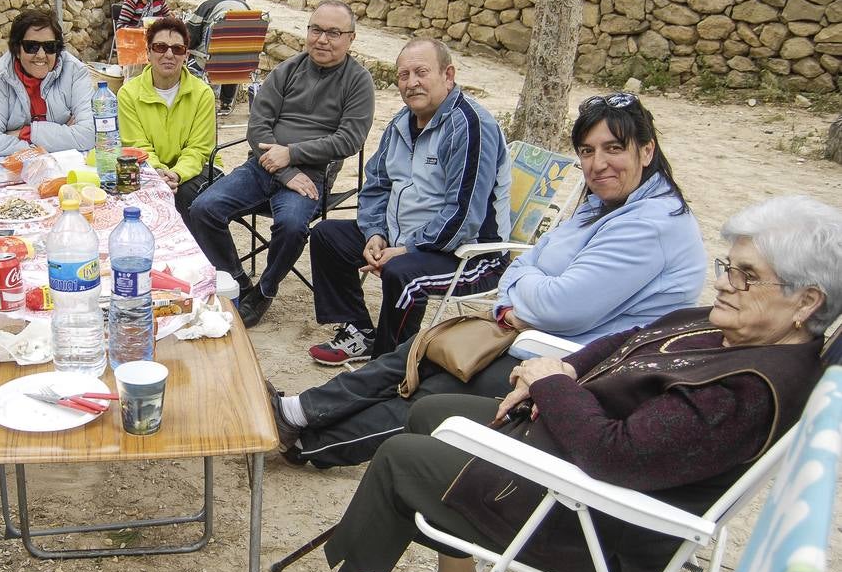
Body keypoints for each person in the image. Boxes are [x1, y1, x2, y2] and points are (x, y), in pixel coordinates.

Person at [266, 194, 842, 572]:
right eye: (728, 267)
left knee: (402, 457)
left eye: (747, 275)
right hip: (562, 458)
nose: (725, 283)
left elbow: (615, 457)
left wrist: (551, 385)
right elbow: (625, 341)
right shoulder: (732, 329)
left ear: (805, 301)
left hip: (590, 519)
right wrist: (562, 368)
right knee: (430, 414)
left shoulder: (746, 391)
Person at [274, 92, 706, 468]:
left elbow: (560, 302)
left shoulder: (651, 224)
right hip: (532, 329)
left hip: (573, 360)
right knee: (422, 351)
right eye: (588, 151)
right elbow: (529, 260)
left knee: (438, 389)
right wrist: (524, 292)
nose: (598, 163)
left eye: (613, 148)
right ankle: (298, 411)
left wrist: (525, 292)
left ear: (646, 151)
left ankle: (311, 444)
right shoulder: (607, 205)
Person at [306, 37, 511, 365]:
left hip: (468, 254)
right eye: (403, 75)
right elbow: (376, 184)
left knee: (403, 273)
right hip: (402, 238)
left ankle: (389, 364)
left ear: (448, 75)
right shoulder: (401, 123)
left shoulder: (470, 126)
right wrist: (375, 233)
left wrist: (405, 249)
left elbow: (463, 215)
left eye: (421, 72)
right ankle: (359, 331)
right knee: (326, 235)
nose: (411, 82)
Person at [190, 0, 374, 328]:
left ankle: (264, 291)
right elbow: (257, 127)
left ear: (351, 38)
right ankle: (238, 282)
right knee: (204, 208)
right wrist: (284, 168)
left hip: (311, 174)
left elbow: (350, 140)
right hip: (262, 167)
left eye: (333, 33)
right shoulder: (288, 69)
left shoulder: (358, 81)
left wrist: (291, 156)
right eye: (316, 30)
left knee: (291, 227)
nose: (322, 39)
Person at [117, 17, 217, 230]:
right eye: (161, 47)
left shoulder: (202, 94)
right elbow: (138, 147)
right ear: (148, 53)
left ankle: (210, 262)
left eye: (177, 49)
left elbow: (199, 150)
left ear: (186, 55)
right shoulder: (128, 94)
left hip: (198, 170)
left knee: (187, 198)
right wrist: (160, 172)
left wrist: (176, 174)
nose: (169, 54)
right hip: (149, 170)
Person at [0, 8, 96, 157]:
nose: (41, 55)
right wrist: (63, 134)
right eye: (32, 46)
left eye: (50, 47)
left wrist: (24, 133)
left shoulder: (75, 72)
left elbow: (90, 134)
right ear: (17, 50)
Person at [184, 0, 251, 112]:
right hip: (240, 64)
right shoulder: (245, 6)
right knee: (231, 55)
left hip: (209, 62)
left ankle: (192, 103)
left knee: (191, 59)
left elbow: (191, 37)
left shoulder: (207, 6)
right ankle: (226, 102)